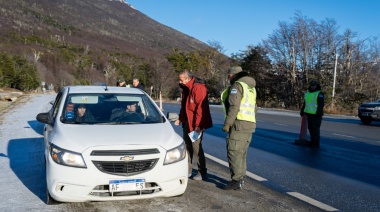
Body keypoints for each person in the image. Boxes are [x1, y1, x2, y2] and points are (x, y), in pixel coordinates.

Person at [221, 66, 257, 190]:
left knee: (233, 151)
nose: (228, 78)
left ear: (233, 75)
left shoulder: (237, 85)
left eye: (229, 76)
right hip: (250, 124)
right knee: (241, 153)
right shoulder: (250, 87)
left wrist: (227, 123)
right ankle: (240, 179)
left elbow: (234, 107)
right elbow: (255, 107)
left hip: (239, 124)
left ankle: (236, 181)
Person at [174, 69, 213, 181]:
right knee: (187, 147)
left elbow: (201, 109)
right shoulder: (186, 89)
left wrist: (198, 126)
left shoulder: (199, 88)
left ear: (188, 78)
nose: (180, 82)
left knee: (196, 148)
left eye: (181, 80)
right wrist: (181, 119)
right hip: (187, 123)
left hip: (196, 125)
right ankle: (188, 170)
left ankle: (202, 171)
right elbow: (184, 107)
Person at [300, 80, 324, 148]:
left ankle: (316, 142)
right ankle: (312, 141)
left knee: (315, 129)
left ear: (316, 85)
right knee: (310, 128)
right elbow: (305, 103)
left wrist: (319, 113)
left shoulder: (319, 93)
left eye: (314, 85)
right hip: (309, 114)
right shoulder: (307, 93)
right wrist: (302, 111)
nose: (313, 87)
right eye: (312, 85)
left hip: (316, 115)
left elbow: (321, 104)